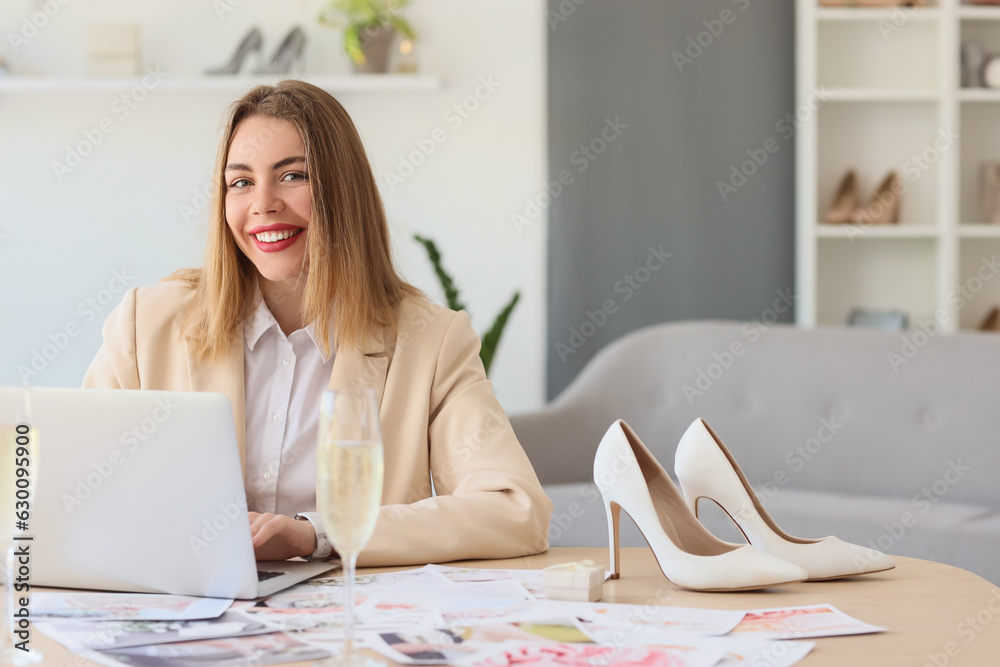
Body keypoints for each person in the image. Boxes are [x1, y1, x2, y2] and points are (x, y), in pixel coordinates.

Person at [82, 80, 552, 567]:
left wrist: (316, 536)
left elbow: (514, 510)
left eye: (292, 176)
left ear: (343, 192)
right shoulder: (146, 323)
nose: (263, 203)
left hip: (354, 620)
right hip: (190, 613)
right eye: (241, 182)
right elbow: (76, 489)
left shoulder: (429, 340)